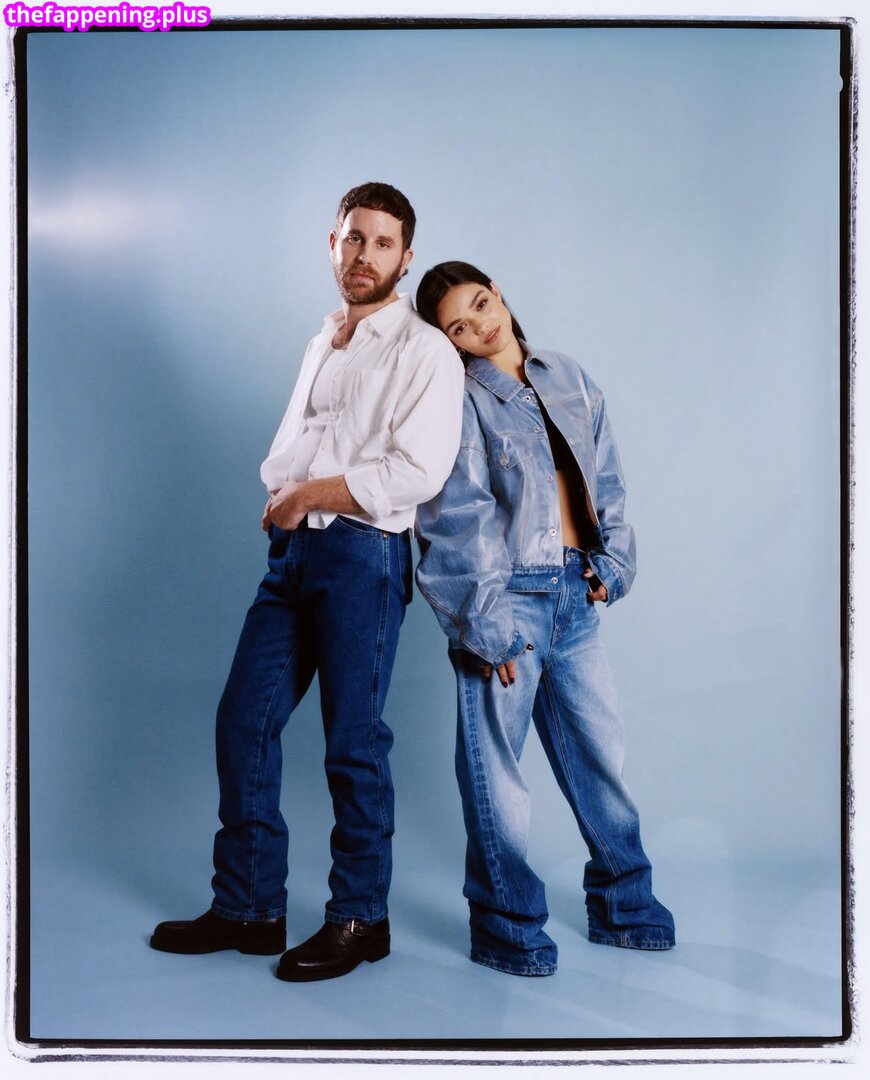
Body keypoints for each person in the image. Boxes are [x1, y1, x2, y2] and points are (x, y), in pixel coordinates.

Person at [150, 184, 464, 982]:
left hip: (365, 555)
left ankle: (361, 918)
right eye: (354, 238)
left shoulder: (424, 350)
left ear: (406, 258)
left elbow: (419, 471)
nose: (364, 255)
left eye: (382, 243)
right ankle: (249, 909)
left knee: (353, 743)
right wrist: (282, 494)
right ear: (333, 243)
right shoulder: (323, 339)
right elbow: (297, 442)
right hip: (293, 555)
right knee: (243, 723)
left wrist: (309, 494)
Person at [414, 261, 675, 977]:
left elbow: (607, 476)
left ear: (498, 292)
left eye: (480, 304)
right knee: (497, 776)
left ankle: (625, 908)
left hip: (575, 594)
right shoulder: (460, 399)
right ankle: (507, 930)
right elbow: (455, 513)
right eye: (458, 327)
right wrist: (485, 623)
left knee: (600, 759)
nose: (479, 325)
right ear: (449, 342)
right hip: (506, 599)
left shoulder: (568, 376)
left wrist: (612, 563)